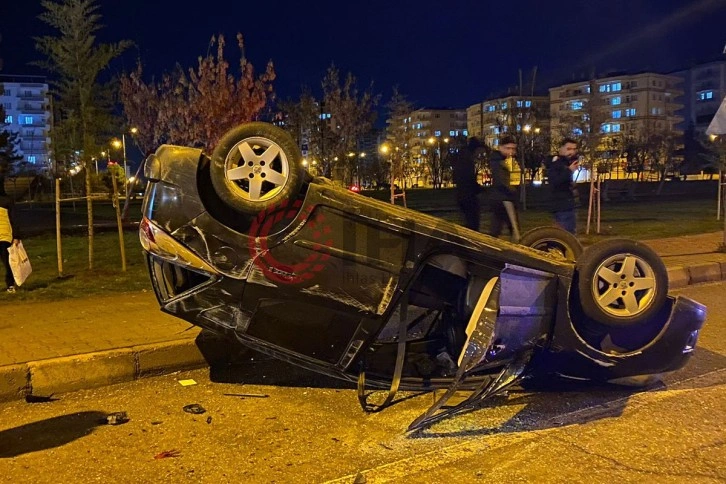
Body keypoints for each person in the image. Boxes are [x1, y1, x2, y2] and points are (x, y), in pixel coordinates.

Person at [488, 135, 521, 241]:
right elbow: (501, 180)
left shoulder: (508, 160)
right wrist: (512, 191)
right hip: (504, 199)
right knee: (514, 229)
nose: (511, 151)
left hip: (503, 198)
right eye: (508, 148)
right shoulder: (498, 161)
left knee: (496, 228)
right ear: (501, 147)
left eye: (513, 149)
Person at [545, 138, 580, 234]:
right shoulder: (556, 163)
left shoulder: (566, 163)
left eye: (574, 149)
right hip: (562, 206)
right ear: (561, 149)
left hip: (568, 204)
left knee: (568, 234)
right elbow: (555, 181)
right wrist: (569, 170)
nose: (572, 152)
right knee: (565, 236)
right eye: (568, 149)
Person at [452, 136, 486, 231]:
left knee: (471, 222)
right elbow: (468, 178)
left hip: (463, 195)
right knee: (473, 223)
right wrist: (478, 188)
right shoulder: (467, 159)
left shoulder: (463, 156)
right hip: (467, 196)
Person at [0, 189, 21, 293]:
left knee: (8, 263)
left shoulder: (6, 200)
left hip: (4, 236)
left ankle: (10, 285)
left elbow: (14, 219)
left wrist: (16, 236)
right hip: (5, 236)